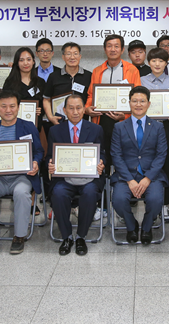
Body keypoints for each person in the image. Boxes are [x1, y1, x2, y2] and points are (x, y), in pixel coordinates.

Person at [0, 91, 44, 256]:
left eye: (12, 106)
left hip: (21, 177)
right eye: (4, 106)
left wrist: (36, 162)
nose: (8, 110)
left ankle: (19, 236)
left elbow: (38, 151)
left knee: (22, 193)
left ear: (18, 107)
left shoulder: (28, 127)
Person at [46, 94, 105, 256]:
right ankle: (66, 237)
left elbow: (103, 154)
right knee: (58, 193)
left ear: (84, 109)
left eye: (79, 108)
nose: (75, 112)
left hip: (89, 178)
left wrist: (101, 163)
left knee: (90, 193)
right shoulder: (55, 131)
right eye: (71, 108)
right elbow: (49, 156)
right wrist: (50, 164)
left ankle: (80, 236)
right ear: (64, 110)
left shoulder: (96, 129)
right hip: (64, 179)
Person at [110, 86, 168, 244]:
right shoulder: (119, 127)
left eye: (142, 101)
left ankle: (147, 227)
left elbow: (161, 154)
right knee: (118, 200)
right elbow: (116, 155)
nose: (138, 104)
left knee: (155, 199)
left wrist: (148, 178)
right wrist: (129, 180)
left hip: (151, 175)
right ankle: (131, 226)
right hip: (126, 175)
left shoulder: (158, 127)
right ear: (129, 103)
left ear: (149, 104)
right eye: (134, 101)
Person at [85, 34, 141, 172]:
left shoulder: (132, 70)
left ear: (122, 50)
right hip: (101, 120)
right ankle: (104, 180)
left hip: (123, 120)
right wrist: (87, 109)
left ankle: (121, 181)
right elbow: (91, 95)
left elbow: (137, 98)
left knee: (122, 155)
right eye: (109, 46)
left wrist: (125, 116)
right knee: (103, 155)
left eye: (116, 46)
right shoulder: (97, 71)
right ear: (105, 49)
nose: (113, 49)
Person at [140, 47, 169, 222]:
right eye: (154, 61)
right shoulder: (141, 81)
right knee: (147, 162)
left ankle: (164, 204)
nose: (157, 64)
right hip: (146, 127)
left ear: (166, 63)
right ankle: (149, 202)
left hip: (166, 127)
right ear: (149, 63)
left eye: (161, 61)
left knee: (166, 164)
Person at [42, 42, 92, 126]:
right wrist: (50, 117)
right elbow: (46, 99)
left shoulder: (89, 76)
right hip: (60, 123)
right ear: (63, 57)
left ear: (80, 56)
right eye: (68, 54)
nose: (72, 57)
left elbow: (91, 97)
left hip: (83, 123)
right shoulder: (54, 76)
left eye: (75, 54)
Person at [2, 47, 45, 130]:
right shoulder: (10, 83)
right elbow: (4, 103)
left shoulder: (40, 82)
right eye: (21, 60)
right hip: (14, 126)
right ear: (17, 63)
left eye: (28, 59)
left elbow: (45, 102)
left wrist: (41, 110)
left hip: (35, 126)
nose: (25, 63)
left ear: (33, 61)